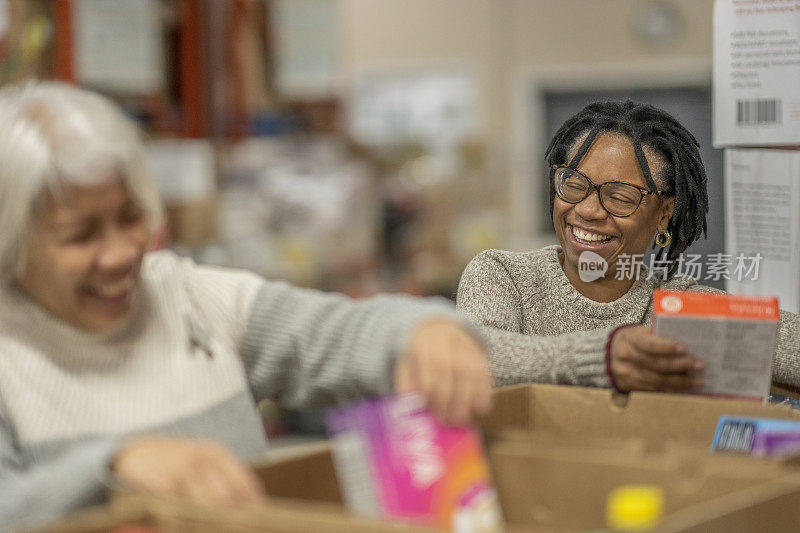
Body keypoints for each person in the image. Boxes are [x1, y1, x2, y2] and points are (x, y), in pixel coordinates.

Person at [0, 81, 493, 529]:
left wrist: (424, 330)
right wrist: (110, 465)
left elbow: (339, 332)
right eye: (80, 236)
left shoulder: (194, 299)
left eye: (130, 218)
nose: (121, 253)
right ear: (12, 243)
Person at [457, 100, 800, 393]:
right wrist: (604, 356)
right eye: (573, 184)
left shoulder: (680, 307)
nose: (587, 210)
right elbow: (473, 358)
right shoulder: (503, 276)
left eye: (620, 197)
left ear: (664, 213)